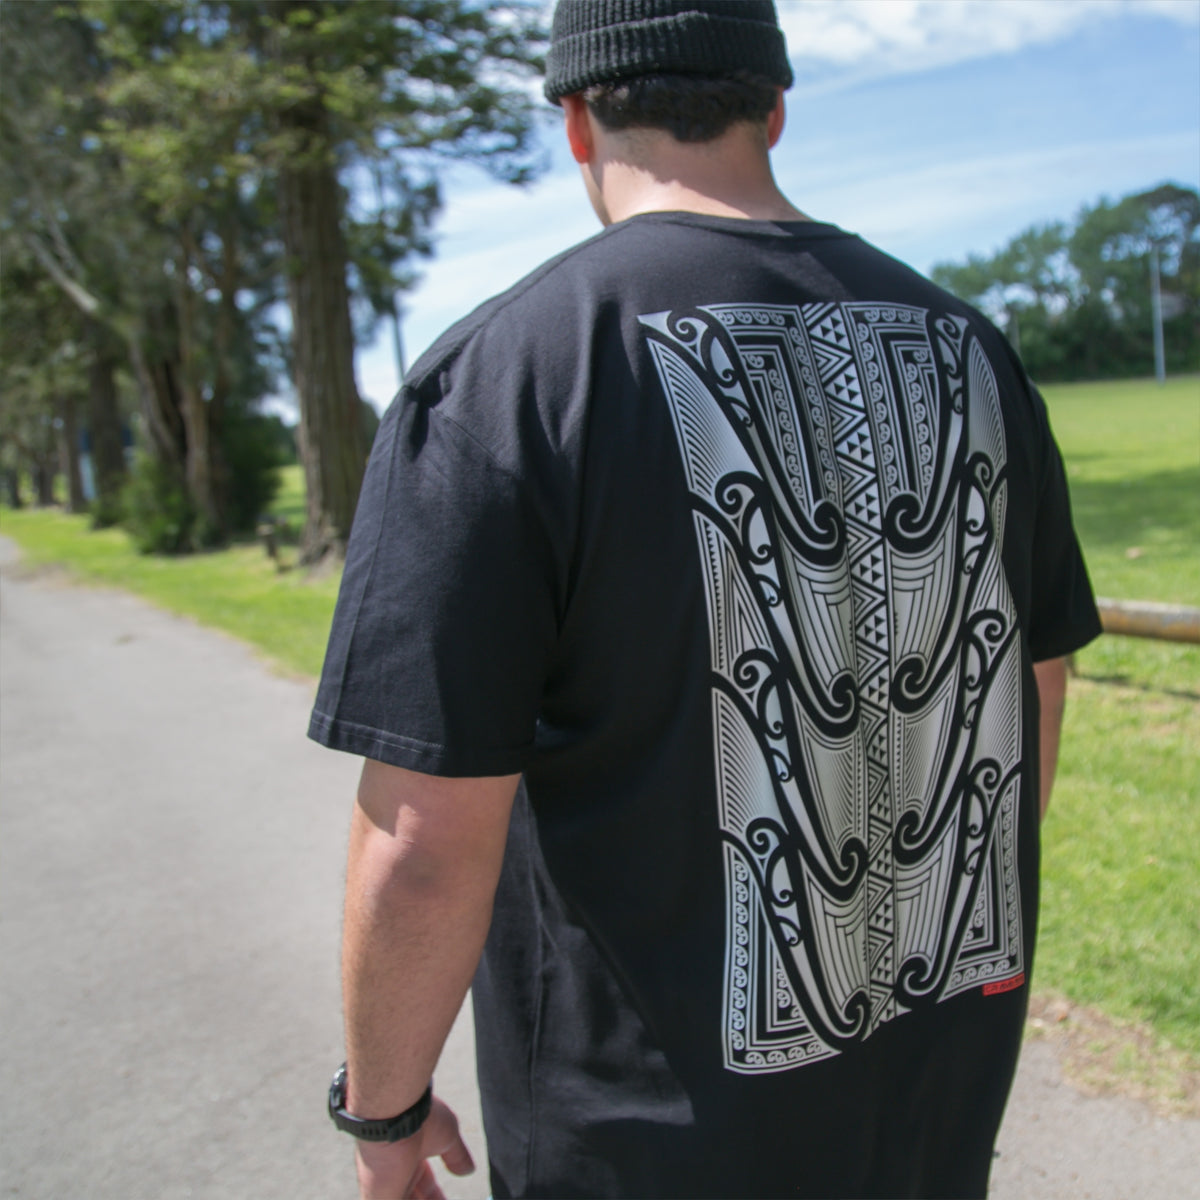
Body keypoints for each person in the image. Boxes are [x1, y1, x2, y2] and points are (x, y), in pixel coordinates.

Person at [309, 2, 1102, 1197]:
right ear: (773, 108)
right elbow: (1030, 699)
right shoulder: (974, 352)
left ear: (577, 122)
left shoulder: (511, 378)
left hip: (637, 1140)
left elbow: (422, 838)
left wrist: (384, 1116)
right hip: (928, 1107)